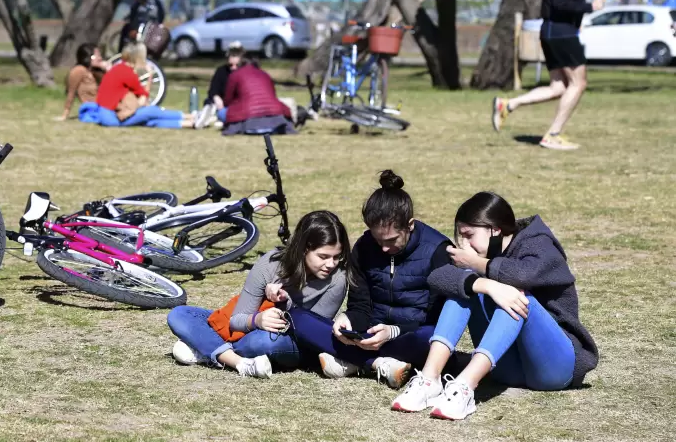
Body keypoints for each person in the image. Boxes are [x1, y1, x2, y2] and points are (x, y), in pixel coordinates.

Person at [391, 192, 598, 421]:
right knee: (464, 286)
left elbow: (523, 274)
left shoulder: (537, 242)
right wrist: (484, 284)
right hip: (506, 370)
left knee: (516, 294)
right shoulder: (479, 251)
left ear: (495, 229)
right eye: (460, 238)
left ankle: (465, 386)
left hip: (554, 368)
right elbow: (438, 277)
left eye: (469, 235)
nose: (464, 245)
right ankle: (429, 380)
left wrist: (475, 264)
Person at [288, 170, 452, 389]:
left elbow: (438, 319)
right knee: (297, 318)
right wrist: (349, 320)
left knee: (430, 338)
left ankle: (354, 360)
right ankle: (377, 364)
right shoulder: (365, 247)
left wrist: (393, 331)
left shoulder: (438, 250)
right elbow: (361, 305)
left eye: (392, 240)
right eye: (378, 239)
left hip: (413, 335)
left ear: (410, 225)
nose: (384, 247)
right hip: (369, 337)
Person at [166, 211, 353, 378]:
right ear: (304, 249)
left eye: (337, 257)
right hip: (252, 326)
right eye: (323, 256)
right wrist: (257, 320)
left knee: (263, 343)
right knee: (180, 314)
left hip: (287, 341)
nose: (331, 264)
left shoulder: (337, 279)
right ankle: (238, 362)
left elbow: (312, 335)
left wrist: (284, 303)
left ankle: (207, 347)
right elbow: (236, 320)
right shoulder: (271, 264)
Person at [491, 0, 605, 151]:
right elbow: (560, 1)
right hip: (560, 32)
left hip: (555, 30)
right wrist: (589, 6)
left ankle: (508, 104)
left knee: (558, 87)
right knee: (579, 83)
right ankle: (552, 135)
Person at [96, 42, 193, 128]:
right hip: (113, 118)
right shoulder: (128, 74)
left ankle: (189, 124)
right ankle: (189, 116)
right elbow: (144, 97)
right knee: (151, 111)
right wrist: (150, 75)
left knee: (150, 121)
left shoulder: (117, 68)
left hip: (104, 115)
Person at [220, 62, 296, 135]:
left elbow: (227, 100)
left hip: (247, 117)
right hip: (275, 116)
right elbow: (273, 96)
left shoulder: (235, 75)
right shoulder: (265, 74)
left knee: (221, 112)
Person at [194, 41, 247, 129]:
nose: (233, 67)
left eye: (235, 55)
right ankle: (207, 116)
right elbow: (213, 90)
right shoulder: (221, 71)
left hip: (238, 104)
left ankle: (214, 118)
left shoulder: (245, 72)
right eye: (230, 55)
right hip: (221, 104)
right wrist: (216, 97)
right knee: (209, 101)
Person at [56, 44, 108, 122]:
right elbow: (71, 93)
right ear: (87, 56)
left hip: (104, 106)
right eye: (96, 56)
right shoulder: (78, 70)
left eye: (100, 56)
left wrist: (108, 70)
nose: (100, 58)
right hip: (92, 108)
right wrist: (65, 114)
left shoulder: (96, 72)